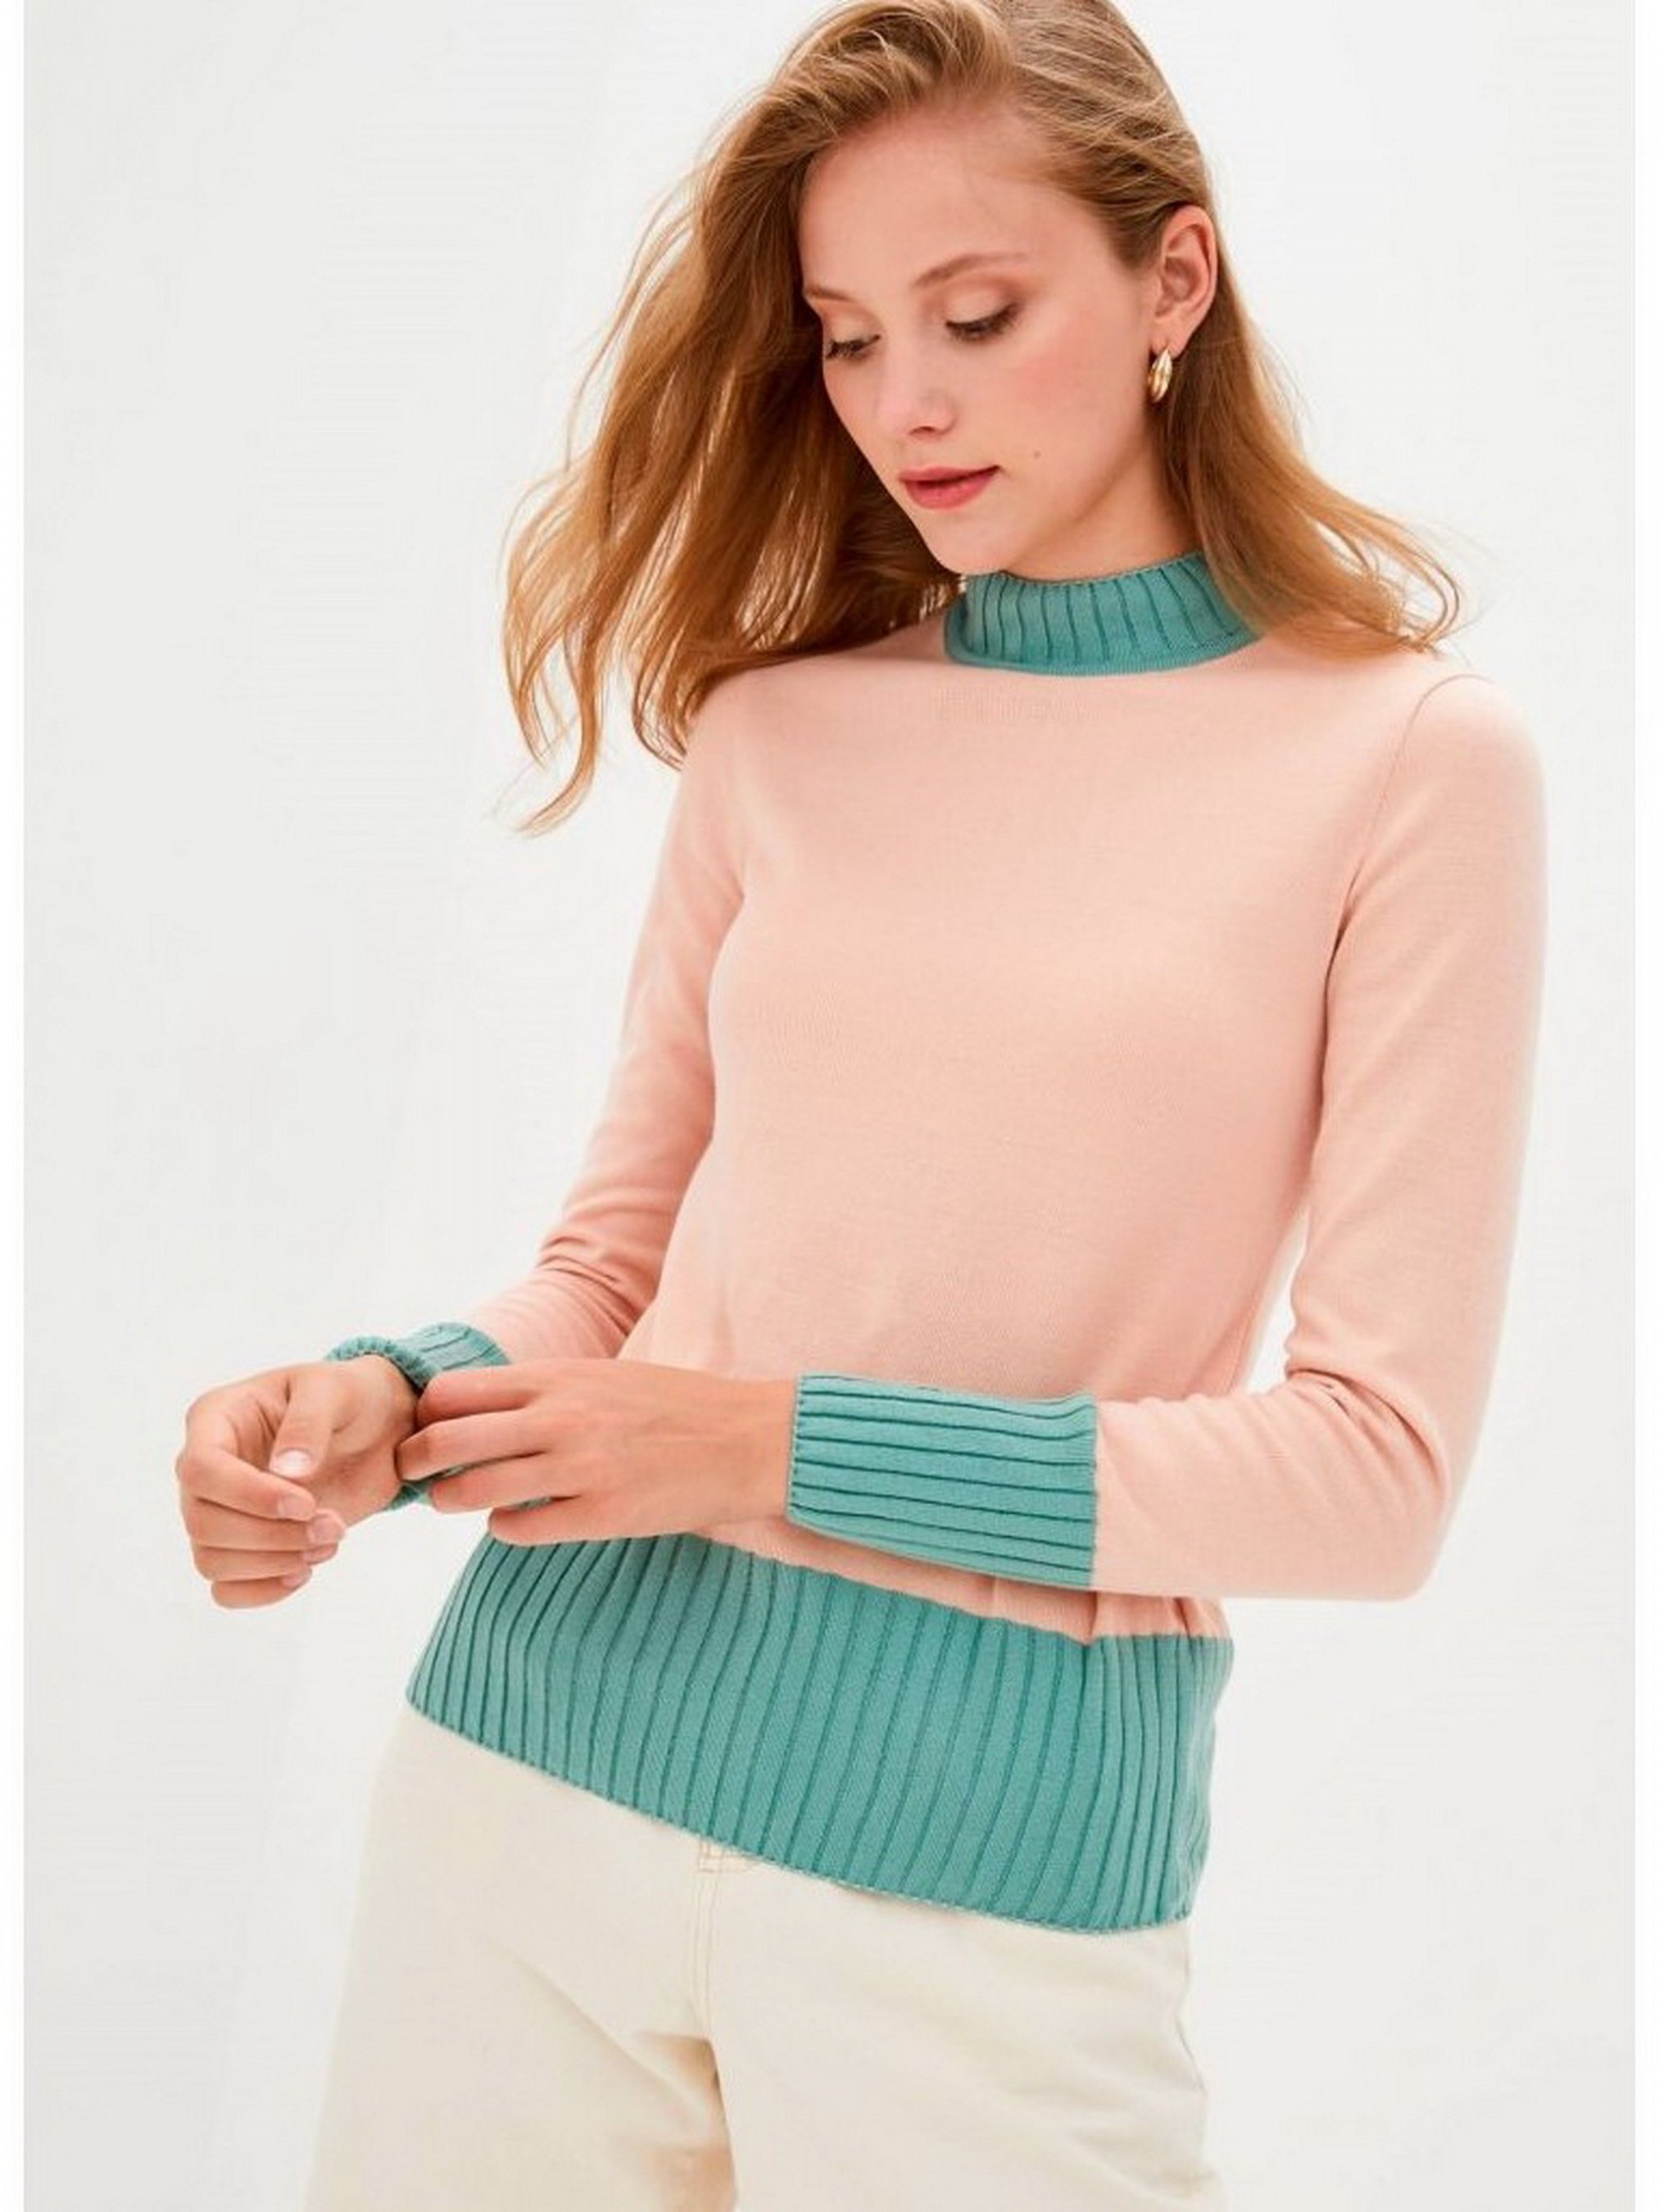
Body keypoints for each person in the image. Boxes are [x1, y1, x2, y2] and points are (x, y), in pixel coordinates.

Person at [174, 2, 1548, 2205]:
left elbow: (1369, 1477)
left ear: (1172, 279)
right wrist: (387, 1396)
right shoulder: (782, 734)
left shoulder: (1404, 760)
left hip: (987, 1895)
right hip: (534, 1790)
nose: (906, 401)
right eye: (844, 337)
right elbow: (618, 1270)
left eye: (976, 316)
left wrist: (763, 1445)